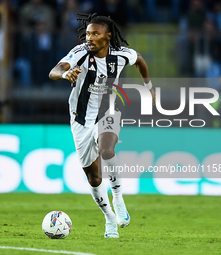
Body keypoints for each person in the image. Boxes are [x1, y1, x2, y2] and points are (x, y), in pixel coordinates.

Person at [49, 13, 155, 238]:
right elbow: (54, 71)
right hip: (80, 119)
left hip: (108, 111)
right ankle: (109, 220)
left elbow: (140, 61)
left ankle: (118, 198)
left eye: (95, 33)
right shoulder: (80, 53)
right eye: (88, 33)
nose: (90, 37)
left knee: (107, 150)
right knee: (94, 178)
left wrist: (149, 86)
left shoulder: (121, 54)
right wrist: (66, 73)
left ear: (108, 37)